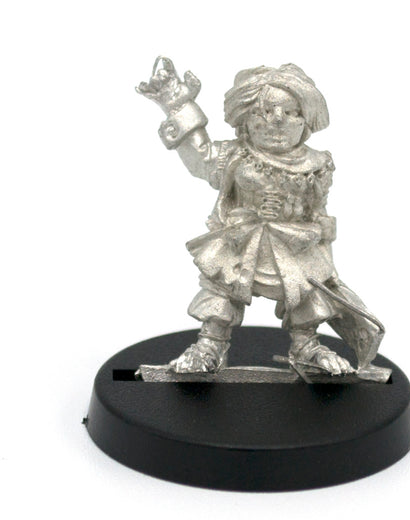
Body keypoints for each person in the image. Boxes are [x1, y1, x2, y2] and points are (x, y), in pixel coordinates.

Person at [137, 58, 379, 375]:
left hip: (294, 246)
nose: (277, 120)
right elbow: (200, 156)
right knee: (222, 289)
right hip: (241, 243)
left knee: (306, 294)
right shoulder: (236, 155)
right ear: (245, 119)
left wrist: (324, 250)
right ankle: (210, 345)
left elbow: (319, 210)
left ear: (305, 120)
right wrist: (177, 104)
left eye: (290, 112)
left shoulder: (317, 164)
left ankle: (306, 346)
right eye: (264, 111)